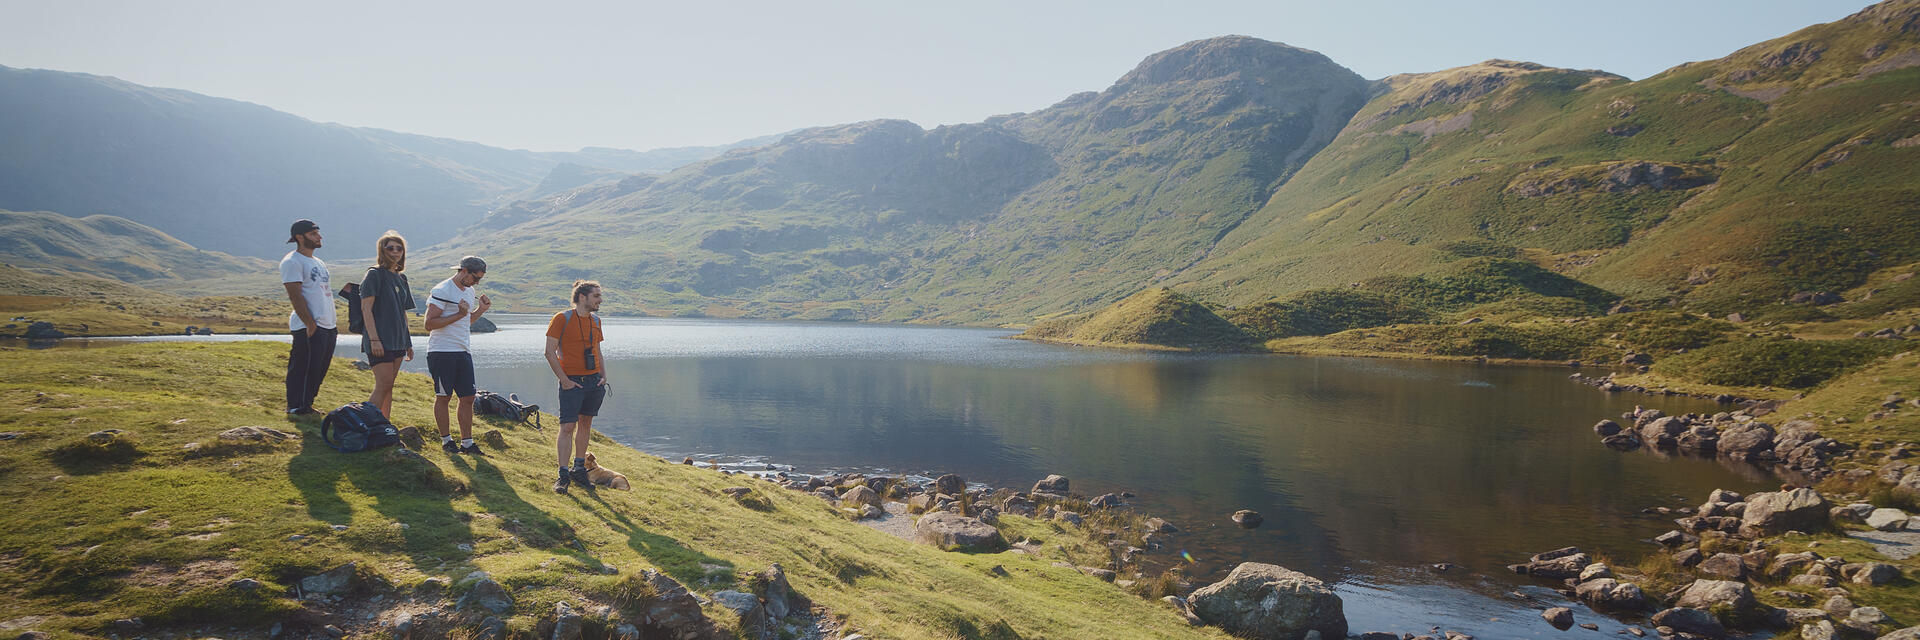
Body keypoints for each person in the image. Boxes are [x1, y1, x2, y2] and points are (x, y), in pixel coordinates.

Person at [546, 280, 608, 493]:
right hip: (571, 381)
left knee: (585, 423)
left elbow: (597, 351)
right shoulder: (561, 319)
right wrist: (564, 379)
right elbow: (549, 351)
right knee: (567, 427)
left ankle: (579, 468)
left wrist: (603, 376)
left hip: (594, 381)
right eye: (596, 296)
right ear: (583, 297)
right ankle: (563, 475)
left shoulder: (596, 321)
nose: (600, 300)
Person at [425, 256, 490, 455]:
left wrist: (481, 310)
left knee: (468, 397)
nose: (477, 283)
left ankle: (467, 443)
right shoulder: (442, 290)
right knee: (444, 396)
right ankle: (446, 442)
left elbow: (465, 321)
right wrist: (459, 315)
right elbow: (429, 324)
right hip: (442, 351)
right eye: (475, 278)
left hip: (463, 351)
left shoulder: (470, 291)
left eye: (480, 280)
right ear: (463, 271)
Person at [281, 219, 336, 416]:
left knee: (318, 368)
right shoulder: (292, 261)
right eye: (313, 234)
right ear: (299, 237)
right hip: (309, 325)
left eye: (318, 233)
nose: (319, 237)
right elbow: (295, 295)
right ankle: (295, 406)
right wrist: (309, 323)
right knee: (302, 367)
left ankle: (307, 404)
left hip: (328, 324)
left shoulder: (318, 262)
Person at [358, 231, 415, 419]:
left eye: (399, 248)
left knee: (389, 385)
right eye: (390, 248)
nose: (395, 251)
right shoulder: (374, 275)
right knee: (383, 384)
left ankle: (384, 426)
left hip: (398, 340)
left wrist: (408, 343)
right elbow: (366, 309)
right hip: (379, 340)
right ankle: (366, 424)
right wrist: (374, 339)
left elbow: (403, 312)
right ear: (382, 250)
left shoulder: (401, 278)